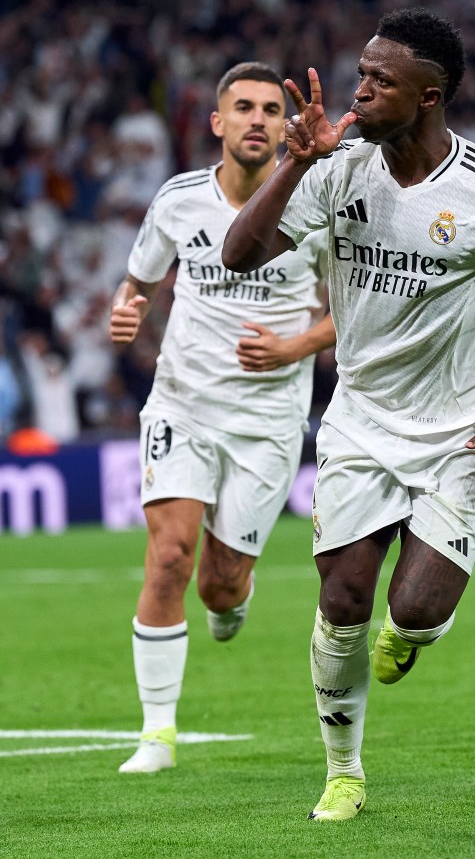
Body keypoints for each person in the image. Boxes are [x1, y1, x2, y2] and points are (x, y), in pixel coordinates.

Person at [222, 8, 475, 820]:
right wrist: (292, 163)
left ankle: (413, 633)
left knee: (412, 611)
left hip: (458, 429)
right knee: (343, 598)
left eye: (380, 81)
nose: (360, 90)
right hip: (358, 422)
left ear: (429, 96)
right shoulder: (337, 167)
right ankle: (343, 771)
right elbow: (238, 254)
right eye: (361, 72)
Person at [109, 62, 335, 775]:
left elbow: (358, 310)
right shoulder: (178, 201)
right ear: (218, 122)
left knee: (220, 583)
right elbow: (138, 281)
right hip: (183, 402)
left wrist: (296, 345)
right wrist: (125, 309)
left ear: (284, 124)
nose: (259, 119)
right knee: (171, 555)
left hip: (269, 419)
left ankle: (234, 591)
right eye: (244, 107)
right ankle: (157, 734)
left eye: (272, 108)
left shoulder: (313, 207)